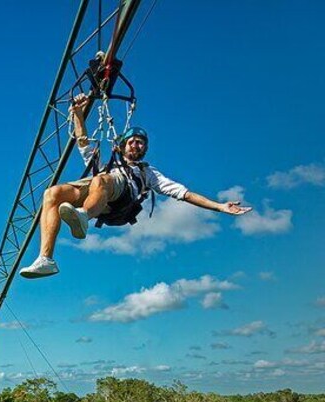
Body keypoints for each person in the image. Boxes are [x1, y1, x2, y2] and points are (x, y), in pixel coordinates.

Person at [19, 93, 252, 278]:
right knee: (53, 193)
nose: (135, 145)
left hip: (120, 200)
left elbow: (185, 194)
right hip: (101, 189)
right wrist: (78, 114)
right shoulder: (105, 162)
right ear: (122, 146)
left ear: (145, 149)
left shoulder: (149, 173)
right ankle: (46, 259)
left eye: (140, 143)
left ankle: (83, 216)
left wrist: (219, 206)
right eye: (131, 141)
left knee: (102, 179)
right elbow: (82, 140)